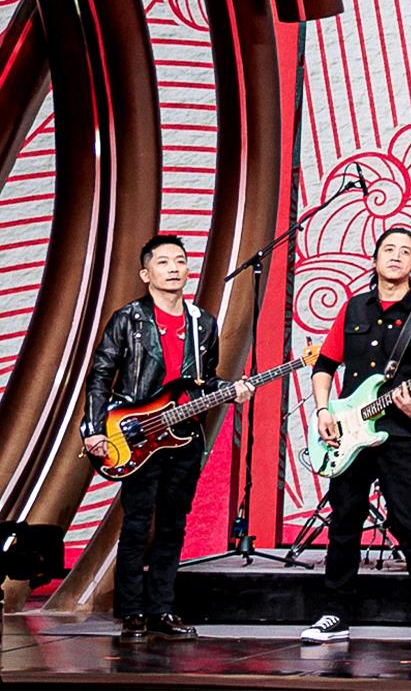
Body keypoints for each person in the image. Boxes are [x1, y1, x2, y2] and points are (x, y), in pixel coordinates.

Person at [301, 225, 411, 646]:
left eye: (406, 251)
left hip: (399, 433)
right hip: (348, 431)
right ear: (375, 257)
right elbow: (325, 365)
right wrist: (323, 410)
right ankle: (335, 614)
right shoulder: (353, 309)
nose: (396, 256)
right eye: (389, 249)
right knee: (344, 521)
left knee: (410, 521)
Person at [81, 233, 224, 641]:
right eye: (163, 262)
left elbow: (206, 380)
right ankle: (131, 612)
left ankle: (162, 609)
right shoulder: (128, 319)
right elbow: (101, 375)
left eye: (180, 261)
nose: (174, 268)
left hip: (184, 436)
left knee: (173, 525)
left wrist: (233, 389)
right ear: (146, 274)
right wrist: (94, 427)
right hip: (136, 433)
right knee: (137, 523)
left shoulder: (202, 323)